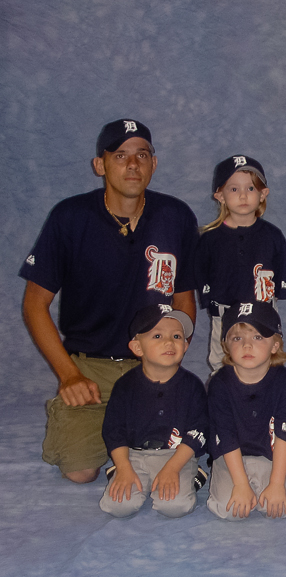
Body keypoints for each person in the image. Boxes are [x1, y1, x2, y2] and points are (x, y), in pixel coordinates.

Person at [20, 119, 198, 484]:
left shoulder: (176, 216)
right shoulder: (69, 218)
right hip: (91, 369)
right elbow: (34, 305)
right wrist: (69, 375)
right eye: (120, 155)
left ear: (154, 163)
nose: (132, 165)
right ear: (100, 165)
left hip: (153, 362)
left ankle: (134, 437)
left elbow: (184, 297)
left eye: (142, 155)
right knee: (81, 472)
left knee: (189, 443)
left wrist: (173, 353)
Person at [99, 305, 207, 518]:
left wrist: (173, 468)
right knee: (118, 506)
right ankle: (117, 472)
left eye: (177, 336)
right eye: (157, 335)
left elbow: (199, 431)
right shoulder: (125, 386)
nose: (169, 342)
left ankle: (194, 475)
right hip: (133, 456)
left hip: (177, 455)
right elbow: (114, 430)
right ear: (137, 348)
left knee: (175, 507)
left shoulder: (193, 386)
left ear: (185, 345)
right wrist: (123, 467)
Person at [206, 301, 286, 520]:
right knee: (231, 512)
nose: (247, 346)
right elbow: (226, 435)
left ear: (275, 345)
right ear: (226, 345)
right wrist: (240, 484)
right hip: (230, 456)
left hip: (271, 456)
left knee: (279, 509)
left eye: (258, 337)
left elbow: (285, 434)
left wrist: (277, 484)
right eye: (237, 338)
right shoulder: (219, 384)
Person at [196, 155, 286, 372]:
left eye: (250, 188)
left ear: (262, 194)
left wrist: (271, 307)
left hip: (263, 311)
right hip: (225, 310)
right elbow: (203, 277)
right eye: (233, 189)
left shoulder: (273, 236)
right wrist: (212, 304)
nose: (242, 195)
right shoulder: (209, 239)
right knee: (221, 362)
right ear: (219, 195)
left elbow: (279, 279)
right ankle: (222, 401)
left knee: (267, 361)